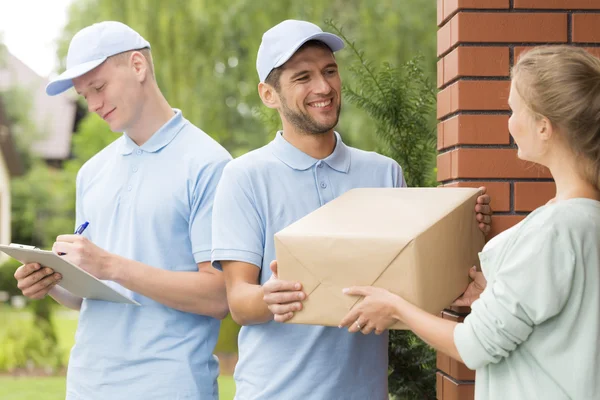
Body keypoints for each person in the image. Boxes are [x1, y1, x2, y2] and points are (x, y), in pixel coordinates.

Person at [211, 19, 492, 399]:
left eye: (330, 71)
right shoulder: (244, 177)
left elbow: (416, 285)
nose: (324, 88)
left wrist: (466, 233)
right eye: (303, 77)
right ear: (268, 94)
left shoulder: (381, 172)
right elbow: (239, 302)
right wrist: (268, 297)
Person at [339, 45, 600, 400]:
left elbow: (474, 346)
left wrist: (396, 307)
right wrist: (492, 294)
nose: (508, 123)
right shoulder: (584, 218)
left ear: (543, 127)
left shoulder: (555, 229)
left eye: (513, 110)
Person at [13, 21, 231, 400]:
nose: (94, 104)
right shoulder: (91, 172)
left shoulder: (209, 164)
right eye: (84, 96)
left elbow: (218, 297)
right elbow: (94, 296)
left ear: (137, 66)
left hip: (171, 388)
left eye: (98, 87)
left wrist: (113, 265)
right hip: (88, 386)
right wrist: (52, 283)